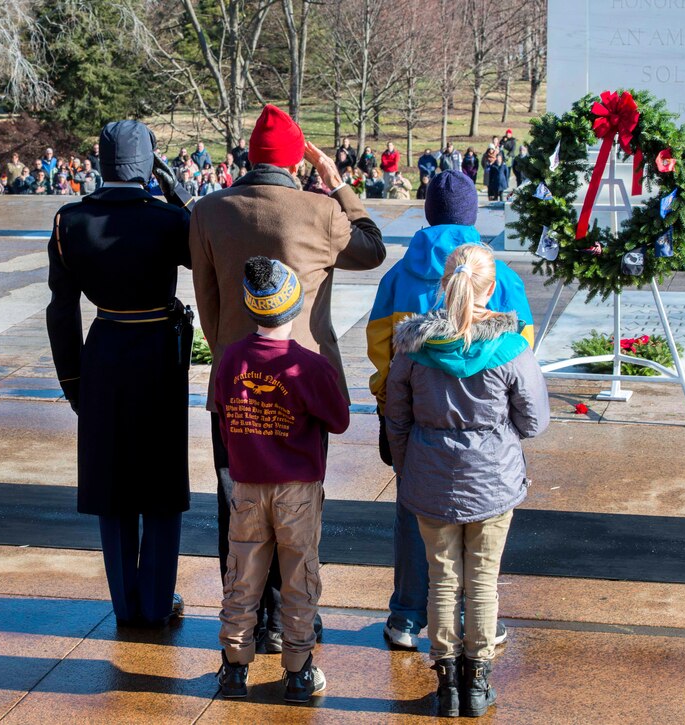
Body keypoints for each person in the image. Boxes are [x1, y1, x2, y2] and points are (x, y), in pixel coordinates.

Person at [190, 104, 385, 654]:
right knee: (297, 499)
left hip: (235, 378)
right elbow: (372, 250)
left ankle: (248, 620)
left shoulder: (209, 210)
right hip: (302, 377)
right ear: (298, 160)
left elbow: (207, 299)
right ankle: (292, 618)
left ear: (251, 157)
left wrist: (231, 349)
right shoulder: (320, 211)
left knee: (239, 501)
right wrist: (338, 183)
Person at [366, 170, 535, 656]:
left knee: (414, 516)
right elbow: (521, 350)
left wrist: (390, 398)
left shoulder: (399, 275)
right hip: (484, 427)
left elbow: (381, 347)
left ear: (427, 212)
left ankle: (405, 615)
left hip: (416, 422)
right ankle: (473, 618)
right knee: (480, 528)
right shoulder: (497, 275)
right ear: (473, 215)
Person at [386, 243, 549, 717]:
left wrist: (408, 465)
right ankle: (477, 683)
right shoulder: (511, 347)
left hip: (429, 476)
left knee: (442, 580)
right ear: (492, 287)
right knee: (482, 582)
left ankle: (447, 684)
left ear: (444, 284)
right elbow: (534, 421)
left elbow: (396, 419)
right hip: (492, 480)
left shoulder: (413, 347)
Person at [46, 119, 192, 630]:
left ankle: (126, 606)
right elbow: (203, 254)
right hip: (158, 351)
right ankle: (156, 601)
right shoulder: (169, 221)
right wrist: (175, 192)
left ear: (101, 160)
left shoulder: (71, 221)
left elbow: (61, 311)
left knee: (114, 483)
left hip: (103, 352)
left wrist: (73, 383)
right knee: (160, 477)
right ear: (148, 161)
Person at [214, 256, 349, 703]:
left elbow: (222, 416)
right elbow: (339, 419)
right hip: (298, 490)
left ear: (252, 308)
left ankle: (234, 668)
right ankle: (298, 670)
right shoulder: (309, 366)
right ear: (294, 306)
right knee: (299, 578)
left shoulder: (231, 358)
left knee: (242, 577)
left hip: (247, 487)